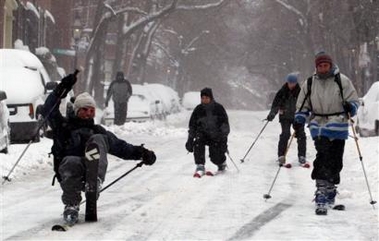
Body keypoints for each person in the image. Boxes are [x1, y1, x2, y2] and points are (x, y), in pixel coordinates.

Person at [42, 72, 156, 224]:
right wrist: (61, 89)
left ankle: (94, 181)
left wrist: (142, 153)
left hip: (92, 169)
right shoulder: (63, 127)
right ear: (77, 110)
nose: (89, 113)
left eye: (92, 110)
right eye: (85, 109)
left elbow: (120, 147)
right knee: (71, 161)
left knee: (99, 139)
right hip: (69, 169)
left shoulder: (97, 130)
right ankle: (71, 205)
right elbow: (48, 109)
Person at [294, 51, 359, 215]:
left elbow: (354, 101)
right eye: (320, 66)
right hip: (319, 125)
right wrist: (300, 117)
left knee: (336, 159)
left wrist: (351, 107)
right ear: (317, 67)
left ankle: (330, 188)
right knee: (323, 155)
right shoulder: (309, 83)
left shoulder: (342, 81)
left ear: (330, 65)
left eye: (326, 65)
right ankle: (321, 190)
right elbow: (302, 104)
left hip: (338, 124)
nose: (323, 69)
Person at [185, 88, 230, 176]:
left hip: (216, 136)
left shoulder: (218, 108)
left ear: (211, 98)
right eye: (203, 98)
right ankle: (200, 166)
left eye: (206, 98)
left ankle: (221, 164)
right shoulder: (198, 109)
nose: (204, 100)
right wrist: (190, 140)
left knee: (215, 157)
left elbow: (225, 126)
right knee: (198, 141)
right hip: (203, 135)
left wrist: (223, 141)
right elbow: (192, 126)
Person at [266, 73, 307, 166]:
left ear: (296, 83)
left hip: (297, 117)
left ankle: (302, 156)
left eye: (293, 83)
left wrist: (303, 116)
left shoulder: (300, 92)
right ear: (287, 82)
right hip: (284, 116)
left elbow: (305, 105)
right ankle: (281, 155)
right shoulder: (282, 92)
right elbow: (276, 104)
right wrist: (272, 114)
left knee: (301, 135)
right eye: (290, 83)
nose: (291, 85)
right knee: (285, 134)